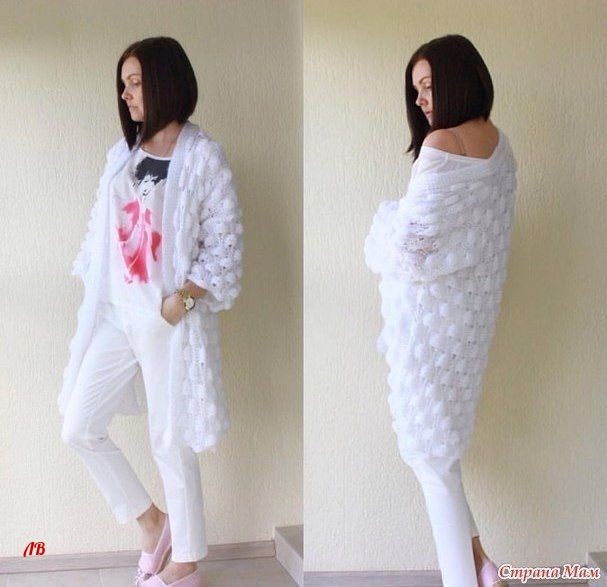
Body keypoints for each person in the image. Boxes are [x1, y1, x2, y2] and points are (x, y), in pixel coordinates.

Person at [58, 37, 243, 587]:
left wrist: (178, 303)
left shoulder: (202, 156)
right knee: (79, 426)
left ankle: (186, 561)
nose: (126, 94)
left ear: (164, 82)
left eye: (135, 82)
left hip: (167, 319)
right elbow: (101, 231)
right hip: (117, 313)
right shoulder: (124, 152)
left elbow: (224, 245)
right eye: (124, 84)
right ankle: (151, 522)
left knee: (170, 440)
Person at [364, 34, 516, 587]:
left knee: (429, 459)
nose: (421, 99)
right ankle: (481, 566)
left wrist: (381, 222)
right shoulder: (499, 144)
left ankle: (463, 577)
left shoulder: (443, 144)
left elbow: (409, 249)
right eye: (416, 90)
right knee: (439, 456)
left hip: (427, 332)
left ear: (457, 79)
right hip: (466, 329)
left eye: (428, 85)